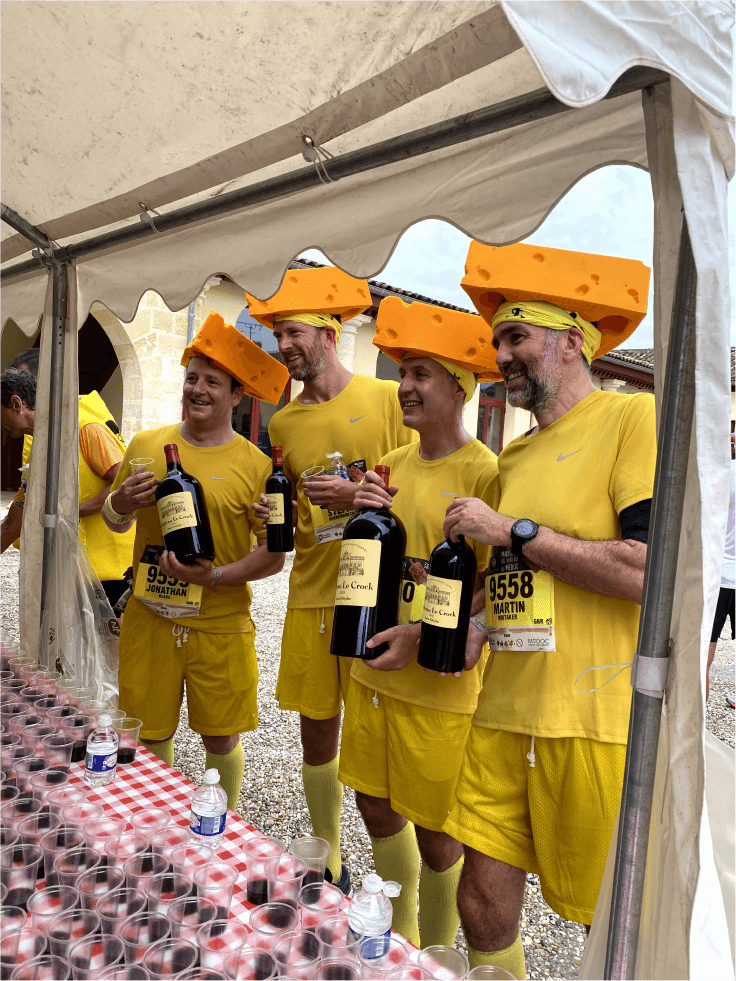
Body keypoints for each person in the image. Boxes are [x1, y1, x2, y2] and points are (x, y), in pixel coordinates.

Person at [441, 242, 655, 980]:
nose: (501, 353)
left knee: (612, 920)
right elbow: (513, 576)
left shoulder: (632, 418)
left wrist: (515, 531)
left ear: (572, 341)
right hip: (503, 711)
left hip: (593, 718)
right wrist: (461, 626)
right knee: (481, 900)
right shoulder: (517, 459)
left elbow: (646, 569)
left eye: (516, 336)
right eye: (497, 339)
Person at [248, 268, 417, 893]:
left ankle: (401, 891)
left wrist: (357, 495)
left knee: (379, 753)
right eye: (276, 335)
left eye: (292, 332)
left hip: (378, 601)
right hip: (311, 595)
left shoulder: (384, 399)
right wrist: (273, 520)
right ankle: (328, 860)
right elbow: (298, 527)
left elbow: (418, 492)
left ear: (327, 331)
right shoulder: (284, 425)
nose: (283, 346)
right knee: (316, 733)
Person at [337, 297, 500, 947]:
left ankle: (435, 950)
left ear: (460, 386)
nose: (404, 385)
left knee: (437, 832)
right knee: (372, 805)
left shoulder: (488, 473)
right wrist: (361, 511)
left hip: (440, 689)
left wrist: (425, 634)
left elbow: (502, 590)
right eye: (402, 371)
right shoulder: (393, 468)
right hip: (373, 675)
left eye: (421, 373)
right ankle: (394, 935)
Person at [102, 313, 288, 809]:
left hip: (221, 626)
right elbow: (115, 521)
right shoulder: (146, 446)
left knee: (221, 738)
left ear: (236, 396)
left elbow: (274, 556)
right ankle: (148, 824)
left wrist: (219, 575)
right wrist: (120, 503)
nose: (198, 390)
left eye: (212, 382)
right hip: (150, 617)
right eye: (192, 378)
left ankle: (219, 824)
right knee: (147, 733)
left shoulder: (257, 466)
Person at [0, 364, 135, 605]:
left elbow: (126, 482)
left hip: (107, 575)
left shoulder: (86, 427)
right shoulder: (38, 443)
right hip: (68, 573)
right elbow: (15, 520)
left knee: (106, 643)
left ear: (16, 403)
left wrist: (77, 511)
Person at [707, 432, 735, 703]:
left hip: (718, 573)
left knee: (707, 647)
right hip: (723, 573)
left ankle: (698, 716)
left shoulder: (724, 475)